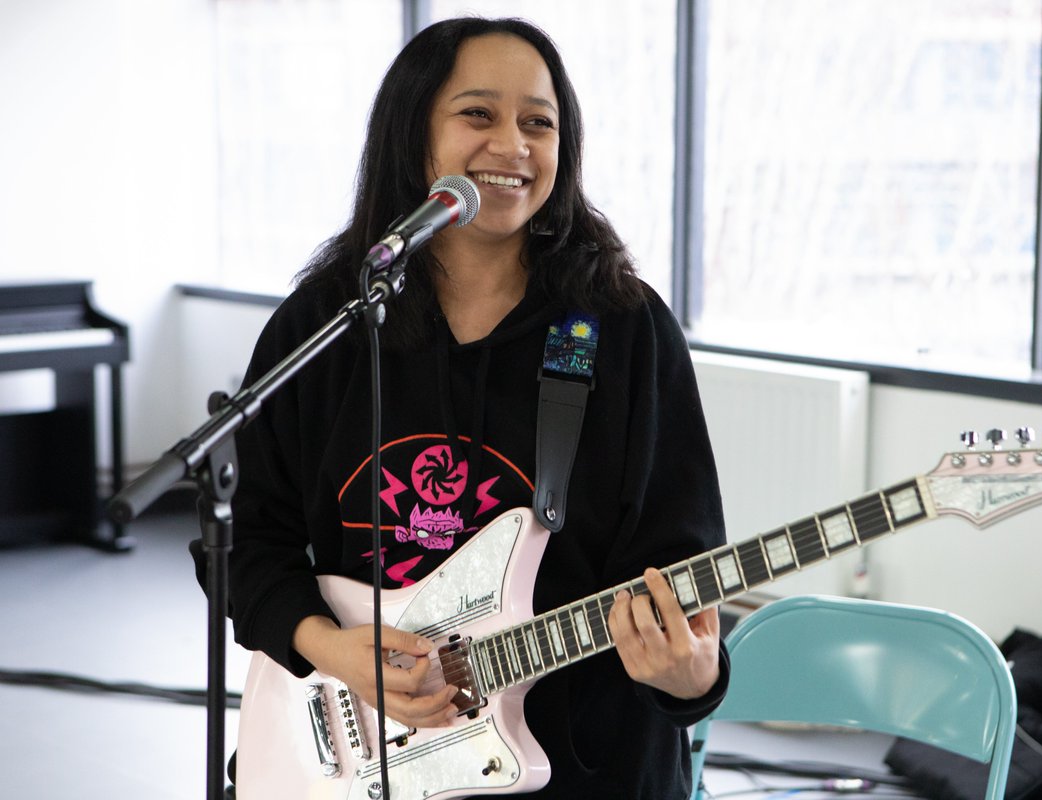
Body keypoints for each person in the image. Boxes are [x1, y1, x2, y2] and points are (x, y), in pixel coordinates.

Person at [226, 16, 729, 799]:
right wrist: (330, 646)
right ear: (412, 135)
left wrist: (693, 677)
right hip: (354, 756)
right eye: (478, 114)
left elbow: (682, 573)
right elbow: (246, 538)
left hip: (583, 769)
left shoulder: (625, 331)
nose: (514, 146)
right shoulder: (327, 324)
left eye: (539, 122)